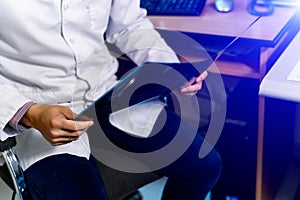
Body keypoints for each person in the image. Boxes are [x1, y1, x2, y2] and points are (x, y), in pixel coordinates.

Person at [0, 0, 222, 199]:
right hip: (36, 106)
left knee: (204, 167)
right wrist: (30, 113)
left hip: (105, 92)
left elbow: (129, 26)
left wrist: (169, 71)